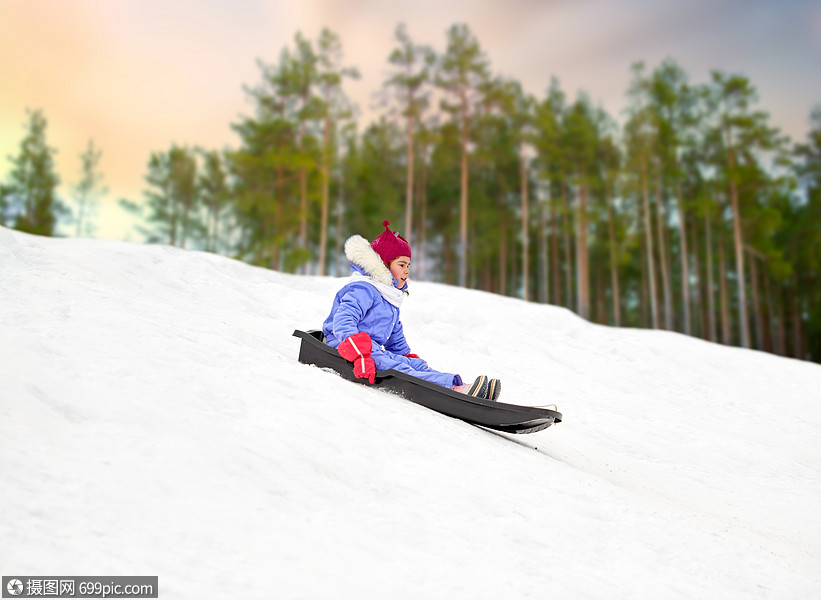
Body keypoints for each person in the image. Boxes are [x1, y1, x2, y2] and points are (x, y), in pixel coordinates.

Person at [322, 220, 501, 400]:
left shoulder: (389, 297)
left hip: (371, 350)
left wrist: (406, 355)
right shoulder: (363, 289)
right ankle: (452, 391)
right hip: (346, 346)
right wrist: (360, 355)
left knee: (415, 365)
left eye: (408, 265)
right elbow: (342, 322)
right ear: (384, 265)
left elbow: (394, 334)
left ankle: (460, 387)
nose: (407, 271)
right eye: (401, 265)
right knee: (399, 368)